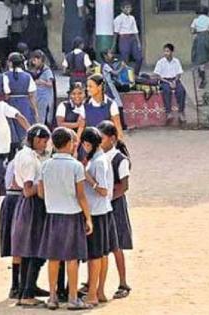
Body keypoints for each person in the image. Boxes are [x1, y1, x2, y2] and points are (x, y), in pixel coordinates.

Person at [37, 127, 93, 310]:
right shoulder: (76, 166)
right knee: (72, 258)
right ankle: (73, 297)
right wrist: (88, 218)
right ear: (70, 144)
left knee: (53, 258)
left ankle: (52, 297)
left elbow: (40, 192)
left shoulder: (45, 165)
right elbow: (81, 195)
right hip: (72, 215)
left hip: (52, 215)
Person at [11, 124, 51, 306]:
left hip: (29, 205)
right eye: (43, 141)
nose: (45, 145)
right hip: (33, 204)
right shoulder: (28, 159)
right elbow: (28, 190)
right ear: (36, 139)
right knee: (35, 248)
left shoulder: (25, 154)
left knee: (29, 249)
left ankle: (28, 287)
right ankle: (27, 293)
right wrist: (44, 183)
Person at [80, 126, 118, 306]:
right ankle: (99, 291)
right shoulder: (97, 158)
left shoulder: (98, 162)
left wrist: (88, 178)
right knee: (101, 254)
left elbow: (103, 190)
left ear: (87, 144)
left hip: (97, 211)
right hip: (102, 211)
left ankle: (93, 294)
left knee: (95, 255)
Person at [97, 120, 133, 300]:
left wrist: (107, 198)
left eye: (101, 138)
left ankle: (123, 282)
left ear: (112, 139)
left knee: (117, 245)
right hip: (103, 204)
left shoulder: (120, 159)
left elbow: (124, 186)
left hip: (115, 205)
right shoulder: (99, 156)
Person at [4, 52, 39, 159]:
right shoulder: (27, 76)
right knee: (24, 129)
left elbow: (6, 93)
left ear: (10, 63)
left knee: (11, 130)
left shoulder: (5, 76)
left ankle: (11, 157)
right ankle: (24, 155)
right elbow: (32, 95)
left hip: (10, 104)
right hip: (24, 104)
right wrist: (35, 111)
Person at [0, 159, 23, 299]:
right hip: (16, 201)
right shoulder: (25, 159)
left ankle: (19, 285)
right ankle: (16, 286)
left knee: (19, 246)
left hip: (12, 201)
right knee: (19, 245)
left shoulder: (17, 159)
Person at [153, 43, 187, 124]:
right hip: (165, 81)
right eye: (164, 51)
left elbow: (179, 74)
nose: (165, 53)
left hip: (175, 80)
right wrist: (168, 82)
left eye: (167, 51)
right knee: (166, 91)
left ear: (172, 52)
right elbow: (157, 75)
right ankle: (168, 113)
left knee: (181, 91)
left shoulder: (176, 61)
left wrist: (175, 81)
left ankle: (181, 112)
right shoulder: (160, 62)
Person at [83, 74, 124, 140]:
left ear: (99, 87)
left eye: (90, 86)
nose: (88, 89)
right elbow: (81, 127)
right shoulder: (85, 104)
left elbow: (118, 127)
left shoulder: (111, 104)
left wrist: (119, 143)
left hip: (106, 143)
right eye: (87, 86)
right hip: (90, 142)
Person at [22, 0, 56, 68]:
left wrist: (24, 29)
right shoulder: (42, 5)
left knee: (30, 47)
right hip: (40, 29)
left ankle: (28, 63)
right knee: (44, 47)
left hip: (31, 29)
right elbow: (47, 17)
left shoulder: (27, 6)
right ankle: (52, 63)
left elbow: (24, 19)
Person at [112, 1, 143, 76]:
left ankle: (136, 74)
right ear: (122, 9)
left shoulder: (132, 18)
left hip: (132, 38)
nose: (129, 9)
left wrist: (138, 42)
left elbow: (135, 31)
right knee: (125, 59)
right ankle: (124, 76)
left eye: (130, 7)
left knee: (139, 57)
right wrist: (113, 45)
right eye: (126, 7)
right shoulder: (118, 19)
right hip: (123, 39)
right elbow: (116, 33)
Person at [190, 5, 209, 89]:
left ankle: (203, 78)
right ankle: (201, 72)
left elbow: (192, 30)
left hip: (200, 37)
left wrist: (197, 31)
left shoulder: (196, 20)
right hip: (207, 37)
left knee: (199, 57)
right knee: (203, 56)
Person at [101, 49, 127, 130]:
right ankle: (122, 125)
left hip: (109, 86)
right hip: (109, 87)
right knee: (119, 104)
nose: (112, 55)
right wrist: (122, 67)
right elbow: (115, 73)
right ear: (105, 56)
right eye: (110, 53)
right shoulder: (105, 65)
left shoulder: (106, 64)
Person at [29, 50, 55, 126]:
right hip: (37, 96)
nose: (34, 62)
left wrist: (42, 82)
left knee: (42, 117)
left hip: (44, 98)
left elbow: (50, 84)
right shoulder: (34, 70)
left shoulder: (47, 70)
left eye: (36, 60)